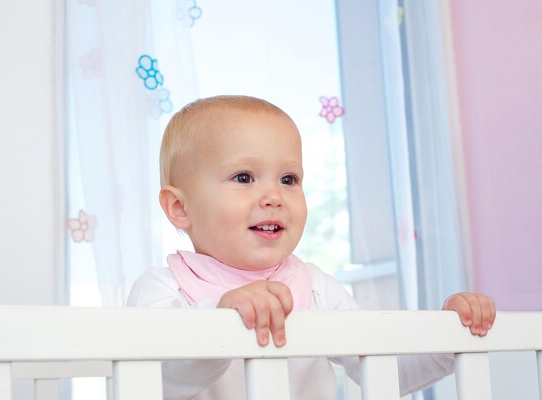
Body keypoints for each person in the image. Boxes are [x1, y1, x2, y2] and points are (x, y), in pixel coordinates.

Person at [127, 95, 496, 400]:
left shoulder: (315, 287)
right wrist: (222, 318)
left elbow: (385, 368)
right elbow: (159, 381)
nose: (273, 196)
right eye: (244, 177)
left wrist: (448, 337)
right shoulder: (163, 289)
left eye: (289, 179)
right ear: (180, 207)